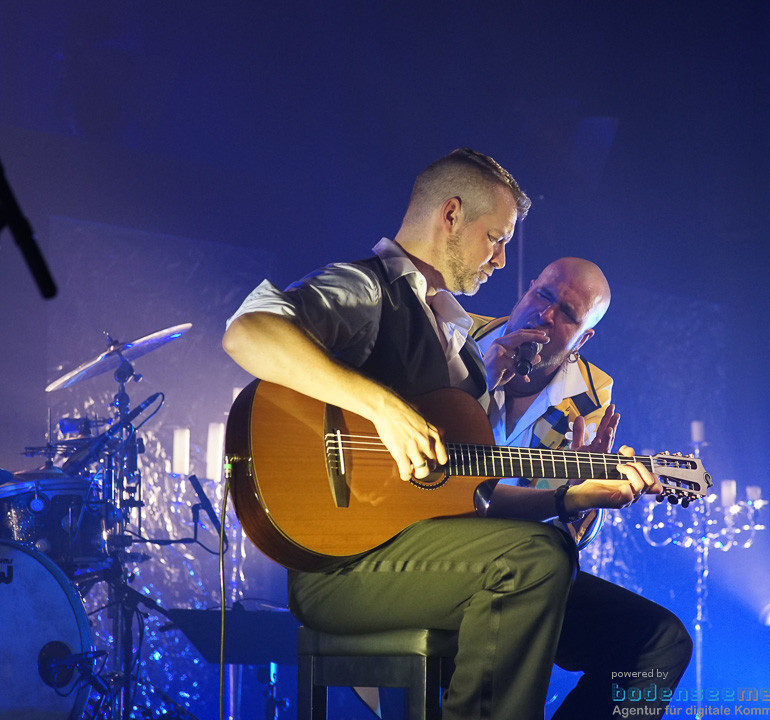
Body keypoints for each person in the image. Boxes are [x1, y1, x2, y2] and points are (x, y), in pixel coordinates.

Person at [221, 148, 674, 719]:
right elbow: (247, 333)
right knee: (535, 559)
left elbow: (469, 499)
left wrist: (567, 496)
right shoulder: (367, 290)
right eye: (496, 238)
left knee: (657, 641)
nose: (501, 260)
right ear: (452, 215)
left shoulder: (462, 347)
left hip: (444, 559)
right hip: (342, 566)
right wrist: (382, 407)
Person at [472, 257, 693, 717]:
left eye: (568, 314)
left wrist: (577, 499)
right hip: (437, 550)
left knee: (661, 641)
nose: (546, 315)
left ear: (583, 337)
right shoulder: (457, 339)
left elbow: (570, 535)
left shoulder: (592, 396)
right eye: (543, 296)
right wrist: (480, 383)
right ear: (525, 292)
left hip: (520, 566)